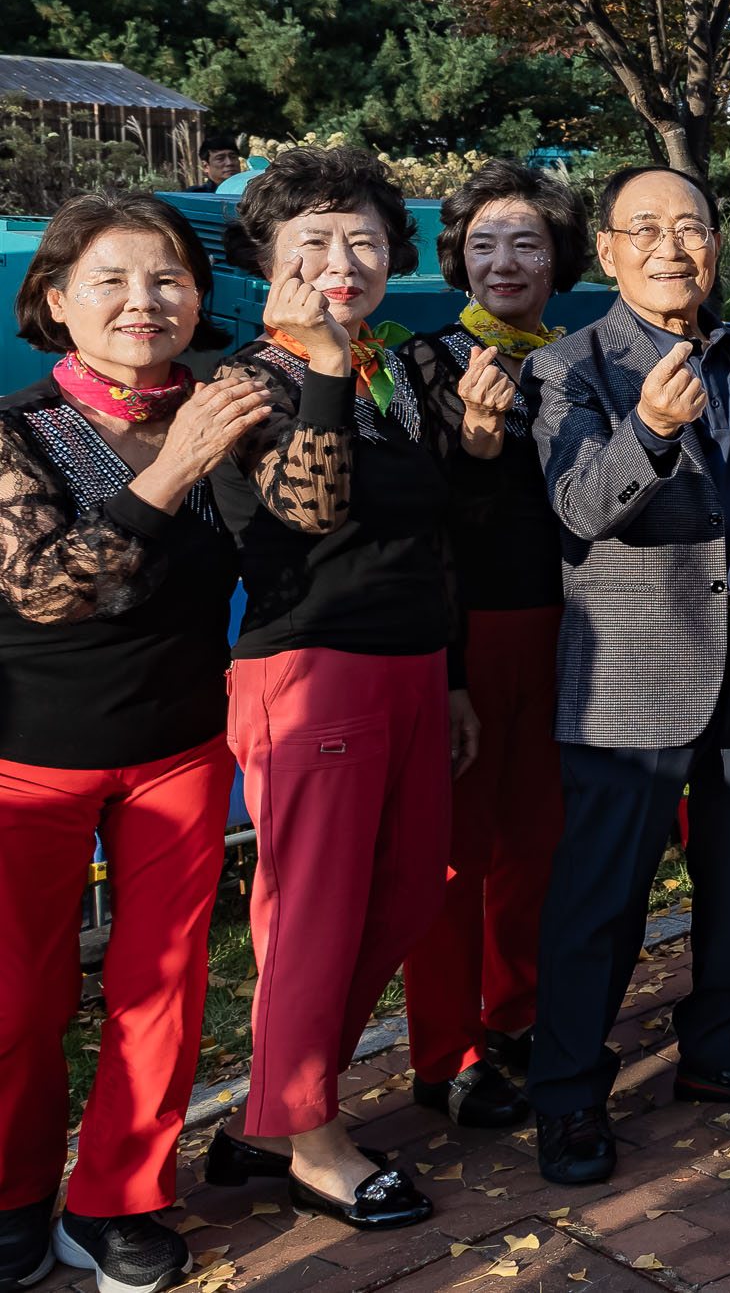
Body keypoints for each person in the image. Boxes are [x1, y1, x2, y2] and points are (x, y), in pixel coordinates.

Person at [208, 146, 508, 1231]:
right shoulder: (246, 380)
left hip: (414, 663)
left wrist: (458, 674)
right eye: (315, 242)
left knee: (408, 893)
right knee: (314, 915)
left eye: (365, 240)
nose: (344, 260)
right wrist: (326, 360)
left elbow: (434, 534)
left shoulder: (397, 369)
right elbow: (309, 506)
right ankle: (312, 1137)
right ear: (268, 260)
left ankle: (265, 1116)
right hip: (310, 667)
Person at [524, 167, 730, 1188]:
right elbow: (577, 504)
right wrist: (648, 432)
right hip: (629, 670)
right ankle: (566, 1093)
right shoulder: (571, 369)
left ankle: (722, 1046)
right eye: (643, 229)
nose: (669, 247)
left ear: (716, 245)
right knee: (600, 898)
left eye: (689, 226)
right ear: (606, 251)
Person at [0, 199, 270, 1293]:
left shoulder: (233, 414)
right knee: (19, 995)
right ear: (58, 301)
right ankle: (14, 1191)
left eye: (168, 278)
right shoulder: (17, 431)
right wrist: (174, 467)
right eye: (109, 280)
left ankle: (122, 1192)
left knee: (159, 987)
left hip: (181, 747)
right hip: (30, 756)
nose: (142, 302)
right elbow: (49, 587)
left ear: (200, 298)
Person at [397, 162, 592, 1129]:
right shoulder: (423, 363)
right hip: (469, 635)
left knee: (536, 842)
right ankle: (446, 1049)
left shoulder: (580, 360)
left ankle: (515, 1013)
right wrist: (476, 440)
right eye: (482, 242)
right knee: (454, 853)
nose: (503, 260)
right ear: (455, 259)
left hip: (569, 632)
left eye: (526, 241)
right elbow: (436, 521)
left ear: (560, 256)